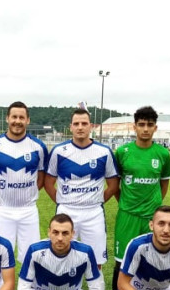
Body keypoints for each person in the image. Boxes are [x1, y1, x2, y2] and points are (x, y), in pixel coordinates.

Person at [112, 106, 170, 290]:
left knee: (153, 264)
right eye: (141, 124)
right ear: (134, 126)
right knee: (121, 263)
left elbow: (163, 184)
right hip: (127, 216)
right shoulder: (122, 152)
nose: (145, 129)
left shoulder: (162, 154)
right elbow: (115, 185)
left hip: (151, 219)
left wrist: (154, 211)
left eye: (150, 125)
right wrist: (126, 204)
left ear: (155, 128)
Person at [44, 108, 119, 267]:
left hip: (93, 212)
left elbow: (113, 185)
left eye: (84, 123)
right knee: (62, 256)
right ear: (70, 127)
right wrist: (62, 201)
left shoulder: (104, 152)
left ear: (90, 126)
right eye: (76, 124)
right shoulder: (59, 151)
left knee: (96, 260)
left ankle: (95, 283)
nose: (80, 127)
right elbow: (48, 182)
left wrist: (97, 200)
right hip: (66, 210)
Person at [0, 101, 48, 265]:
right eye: (14, 117)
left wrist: (29, 192)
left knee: (31, 259)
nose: (17, 121)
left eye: (21, 117)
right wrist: (3, 191)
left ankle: (27, 284)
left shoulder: (38, 146)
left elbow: (41, 176)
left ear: (28, 120)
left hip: (28, 210)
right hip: (3, 209)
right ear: (7, 118)